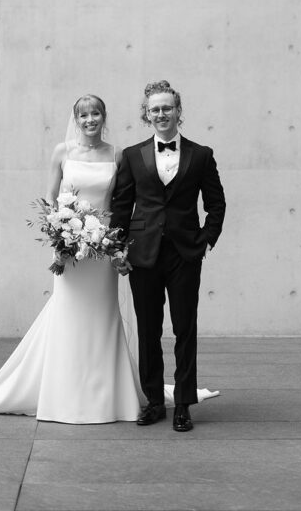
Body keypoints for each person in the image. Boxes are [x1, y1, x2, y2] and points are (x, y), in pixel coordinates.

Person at [0, 94, 143, 423]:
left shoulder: (117, 154)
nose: (90, 120)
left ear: (104, 116)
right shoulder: (62, 151)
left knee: (103, 315)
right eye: (83, 115)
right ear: (76, 119)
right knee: (70, 313)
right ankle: (64, 394)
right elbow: (50, 197)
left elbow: (120, 203)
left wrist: (114, 244)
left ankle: (106, 395)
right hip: (69, 247)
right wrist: (59, 233)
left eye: (95, 113)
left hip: (102, 249)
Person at [110, 80, 226, 432]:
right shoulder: (133, 155)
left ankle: (184, 405)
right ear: (146, 114)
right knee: (148, 330)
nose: (161, 114)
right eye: (155, 109)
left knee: (185, 329)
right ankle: (155, 402)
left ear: (178, 111)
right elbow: (121, 205)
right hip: (142, 253)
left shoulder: (201, 154)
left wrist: (206, 241)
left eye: (167, 108)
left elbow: (216, 203)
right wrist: (118, 247)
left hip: (184, 253)